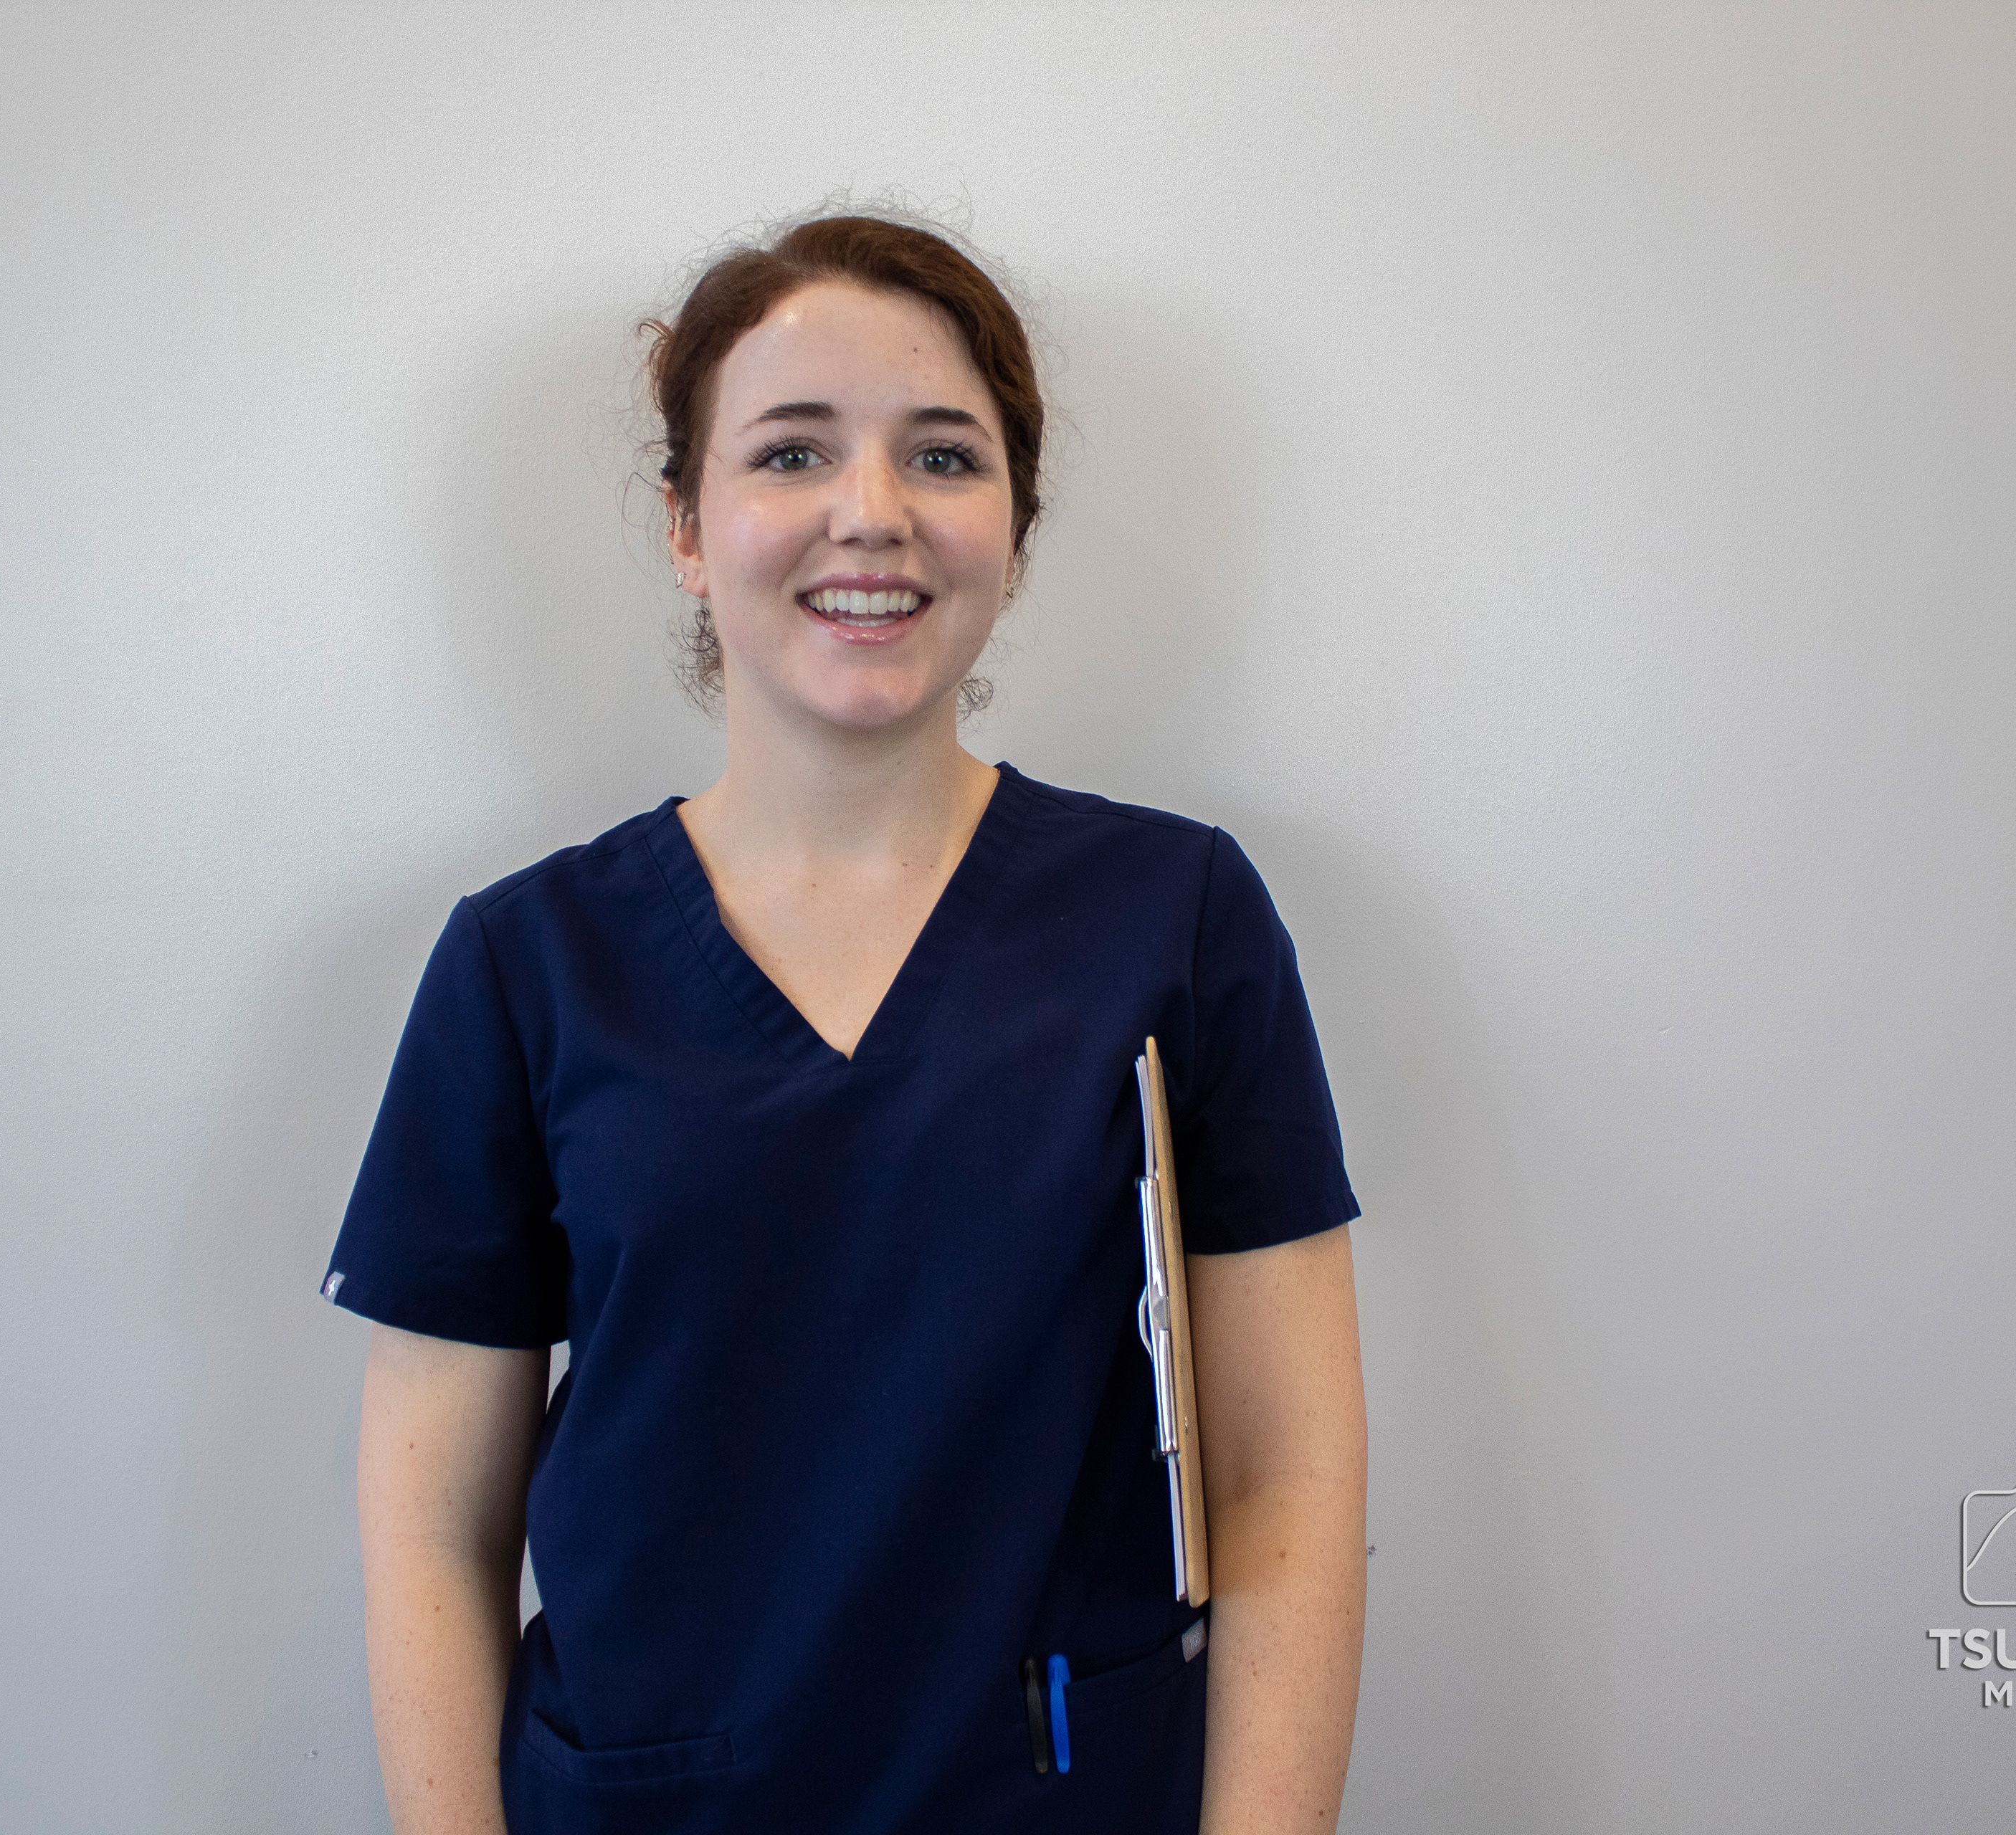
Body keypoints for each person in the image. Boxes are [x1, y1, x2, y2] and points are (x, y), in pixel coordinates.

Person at [324, 214, 1367, 1834]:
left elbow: (1284, 1473)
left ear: (1014, 522)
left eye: (943, 455)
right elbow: (430, 1526)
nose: (871, 511)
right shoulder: (527, 964)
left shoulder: (1177, 919)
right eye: (792, 451)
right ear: (689, 525)